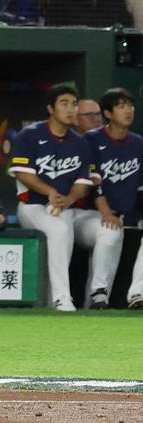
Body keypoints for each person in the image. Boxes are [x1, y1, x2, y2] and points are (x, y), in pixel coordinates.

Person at [9, 85, 94, 311]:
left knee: (62, 228)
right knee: (59, 230)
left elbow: (82, 183)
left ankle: (53, 300)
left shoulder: (80, 143)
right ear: (50, 108)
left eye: (74, 104)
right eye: (64, 103)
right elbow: (22, 173)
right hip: (32, 205)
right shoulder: (30, 135)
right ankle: (62, 298)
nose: (70, 109)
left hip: (63, 207)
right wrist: (50, 192)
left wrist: (68, 198)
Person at [81, 87, 142, 309]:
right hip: (87, 214)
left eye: (130, 105)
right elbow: (92, 182)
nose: (128, 110)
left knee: (113, 231)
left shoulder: (138, 143)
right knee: (111, 230)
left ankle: (136, 294)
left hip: (119, 216)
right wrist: (106, 211)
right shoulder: (92, 140)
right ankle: (98, 293)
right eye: (121, 106)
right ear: (108, 113)